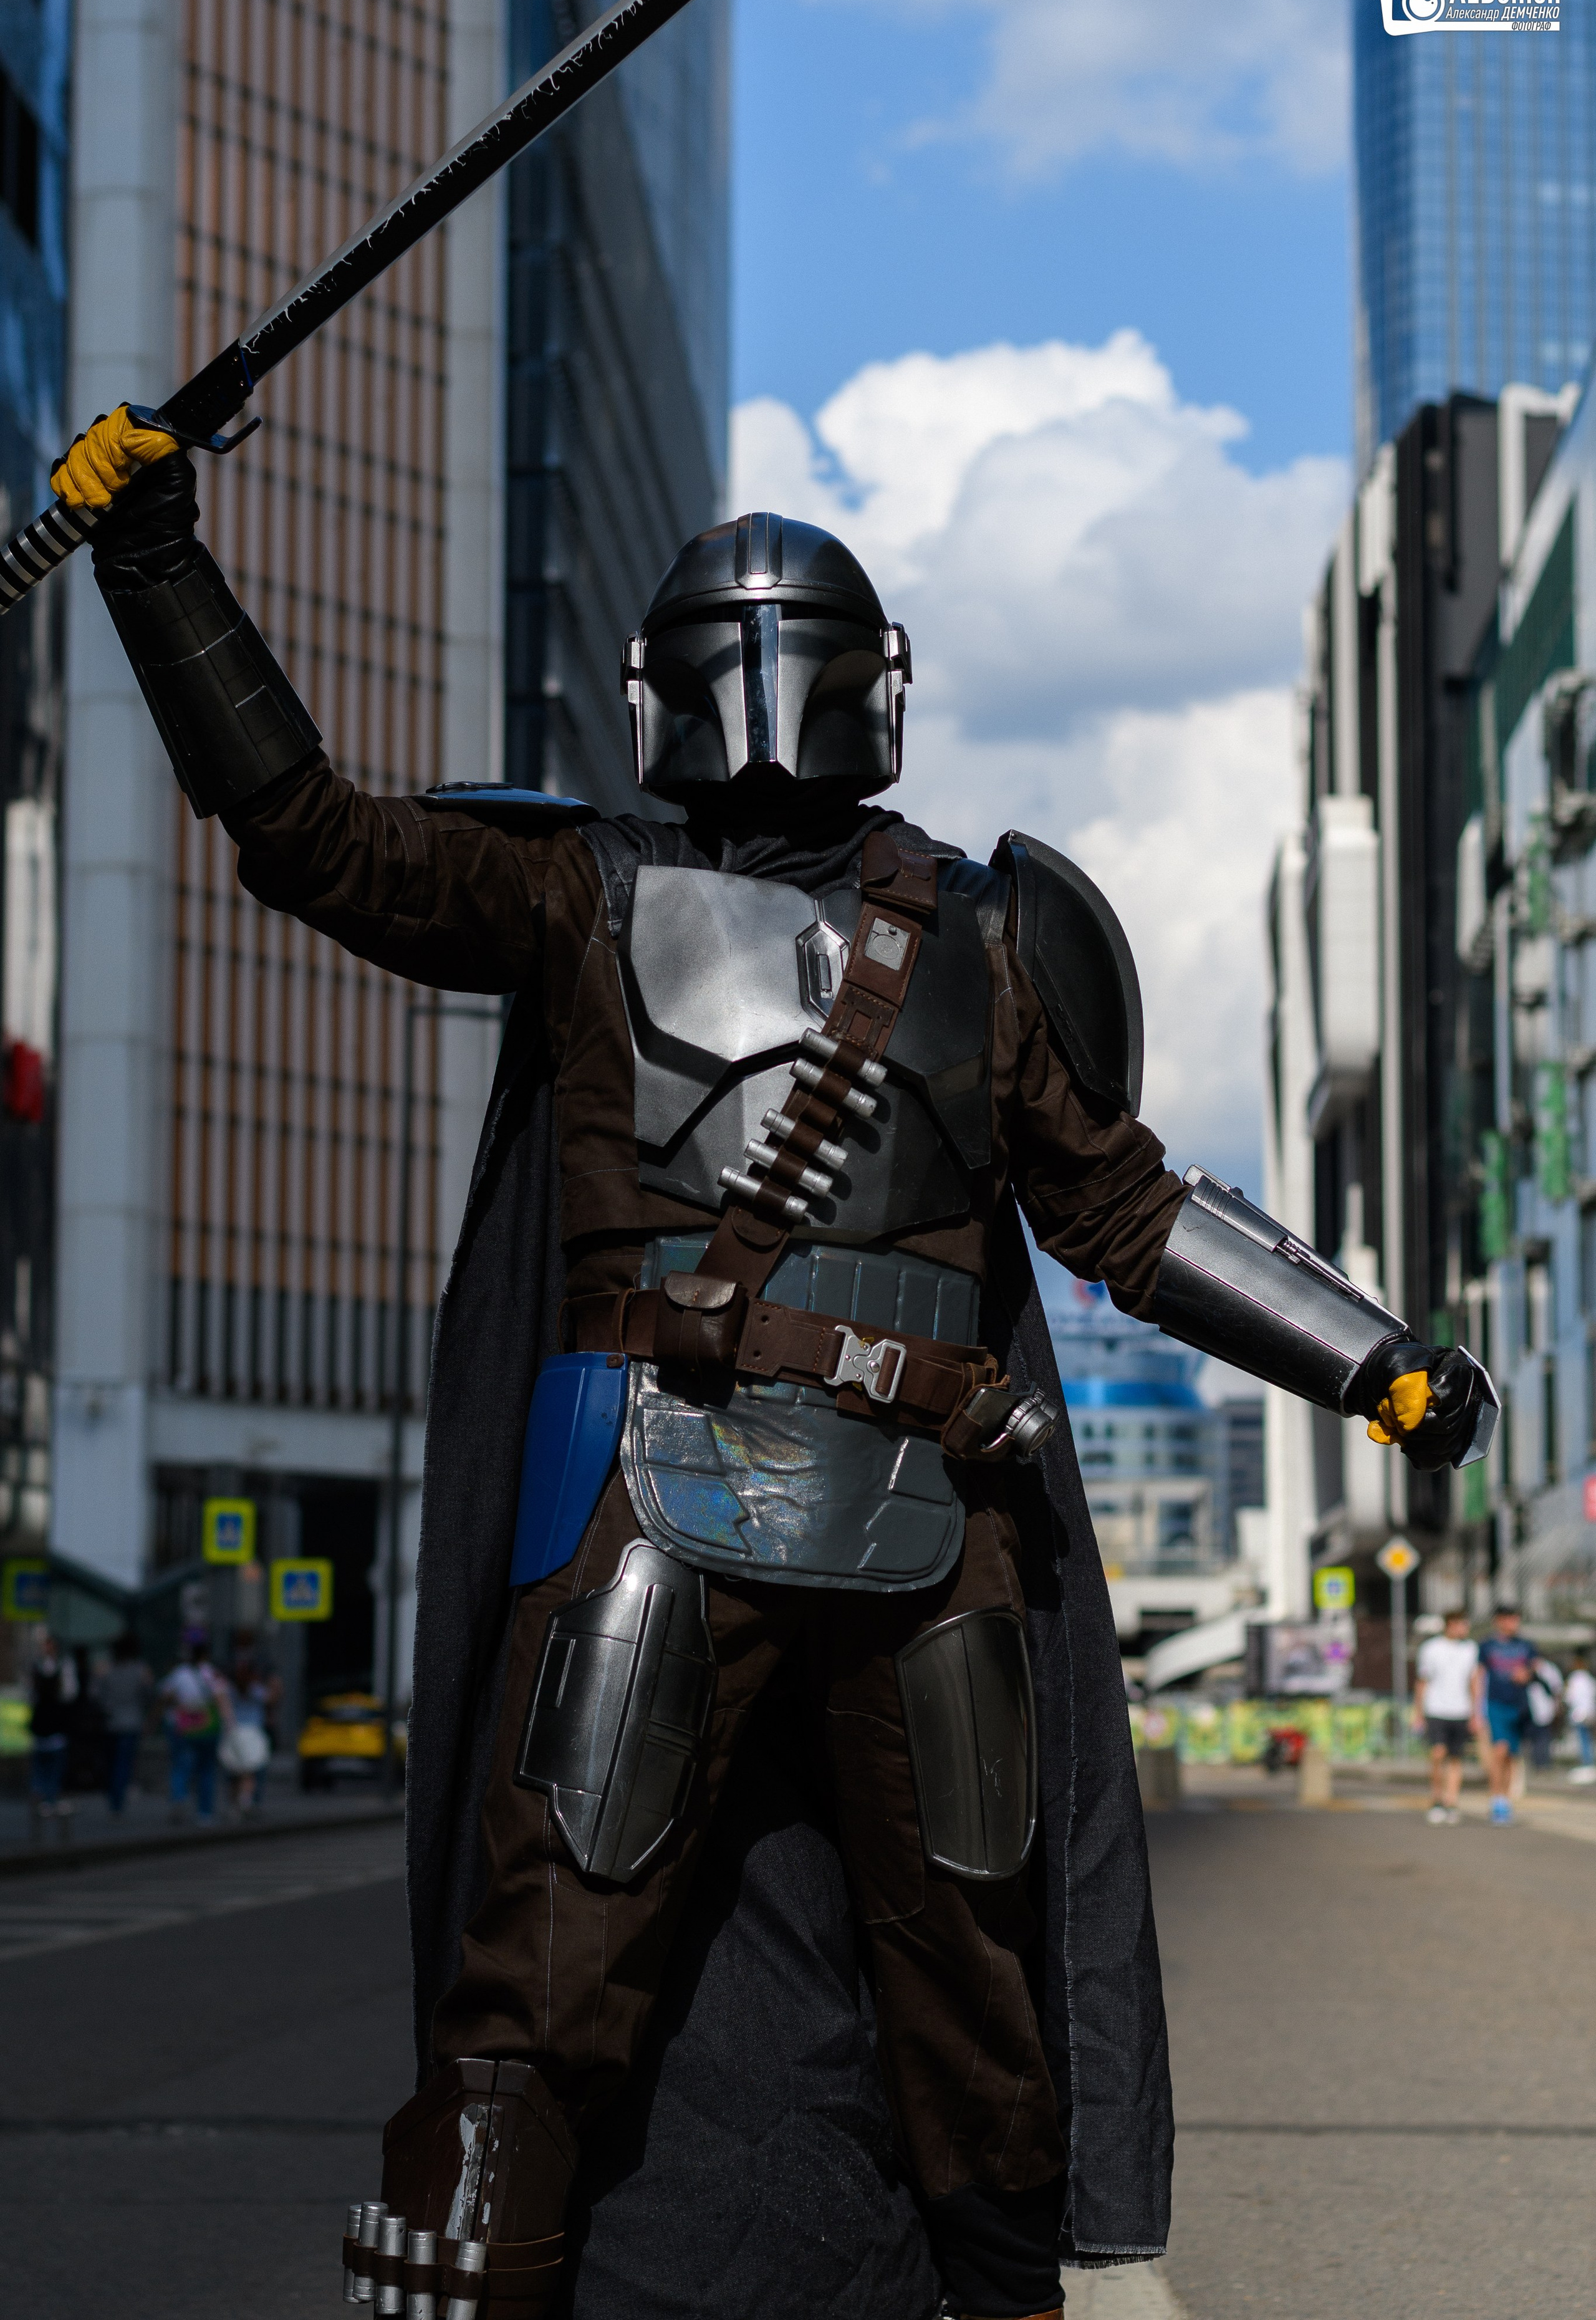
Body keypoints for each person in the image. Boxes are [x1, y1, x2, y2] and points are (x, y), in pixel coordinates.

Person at [54, 406, 1496, 2320]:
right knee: (751, 2003)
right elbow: (1133, 1212)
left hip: (694, 1510)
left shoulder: (618, 900)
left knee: (590, 1994)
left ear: (661, 695)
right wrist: (1376, 1361)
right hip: (850, 1520)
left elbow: (305, 829)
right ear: (871, 689)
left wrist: (152, 554)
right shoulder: (926, 931)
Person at [1474, 1603, 1539, 1824]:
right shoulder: (1487, 1646)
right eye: (1509, 1618)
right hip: (1496, 1705)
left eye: (1516, 1619)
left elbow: (1535, 1669)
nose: (1514, 1623)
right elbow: (1479, 1676)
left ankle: (1506, 1801)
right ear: (1499, 1621)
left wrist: (1527, 1674)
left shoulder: (1527, 1646)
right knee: (1499, 1751)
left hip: (1519, 1706)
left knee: (1512, 1755)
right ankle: (1497, 1800)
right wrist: (1476, 1710)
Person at [160, 1634, 232, 1825]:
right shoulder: (213, 1674)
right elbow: (222, 1699)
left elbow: (165, 1697)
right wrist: (230, 1725)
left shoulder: (179, 1674)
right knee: (207, 1769)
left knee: (181, 1765)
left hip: (184, 1725)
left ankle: (179, 1796)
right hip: (208, 1725)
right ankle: (205, 1812)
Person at [1412, 1610, 1477, 1822]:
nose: (1465, 1629)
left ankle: (1452, 1802)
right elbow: (1423, 1681)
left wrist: (1476, 1712)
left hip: (1461, 1710)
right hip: (1436, 1709)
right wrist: (1419, 1712)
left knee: (1456, 1758)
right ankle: (1436, 1798)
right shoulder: (1431, 1648)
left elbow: (1474, 1682)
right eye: (1462, 1624)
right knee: (1438, 1753)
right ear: (1450, 1624)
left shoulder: (1470, 1649)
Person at [220, 1637, 279, 1817]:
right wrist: (276, 1684)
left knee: (234, 1773)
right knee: (250, 1773)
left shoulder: (230, 1690)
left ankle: (234, 1806)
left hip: (235, 1733)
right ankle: (247, 1801)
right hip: (253, 1734)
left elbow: (223, 1708)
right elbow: (271, 1699)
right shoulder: (255, 1690)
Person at [27, 1628, 78, 1834]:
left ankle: (46, 1797)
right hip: (48, 1722)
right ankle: (45, 1797)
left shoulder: (58, 1667)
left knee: (50, 1762)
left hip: (49, 1721)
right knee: (47, 1762)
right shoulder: (49, 1668)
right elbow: (69, 1693)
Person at [99, 1628, 153, 1814]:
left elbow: (99, 1697)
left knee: (112, 1763)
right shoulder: (140, 1671)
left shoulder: (107, 1670)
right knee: (123, 1764)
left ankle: (114, 1799)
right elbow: (147, 1696)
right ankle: (117, 1802)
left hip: (112, 1723)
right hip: (131, 1723)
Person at [1527, 1653, 1564, 1773]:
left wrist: (1557, 1708)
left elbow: (1557, 1689)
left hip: (1546, 1710)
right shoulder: (1528, 1670)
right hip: (1530, 1711)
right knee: (1533, 1739)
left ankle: (1544, 1764)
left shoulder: (1549, 1670)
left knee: (1544, 1739)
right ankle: (1537, 1763)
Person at [1565, 1650, 1596, 1783]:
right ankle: (1589, 1762)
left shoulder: (1574, 1679)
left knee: (1583, 1740)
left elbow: (1569, 1698)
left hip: (1578, 1713)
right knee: (1588, 1739)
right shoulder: (1589, 1679)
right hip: (1589, 1713)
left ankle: (1587, 1763)